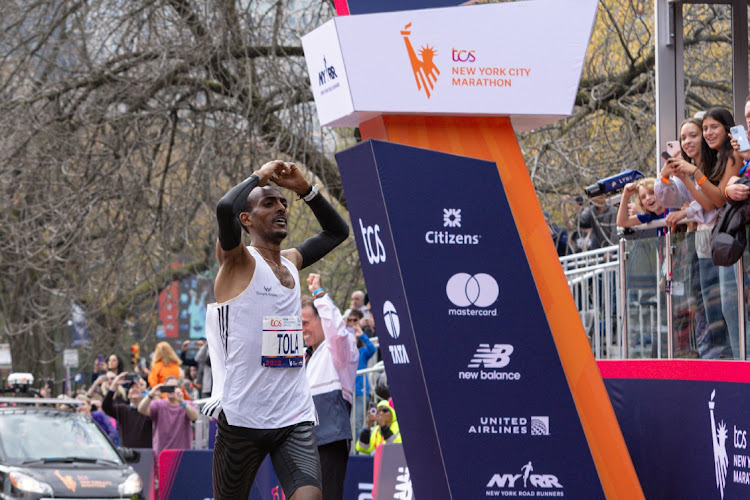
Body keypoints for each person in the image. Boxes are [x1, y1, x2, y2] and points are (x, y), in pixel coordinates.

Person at [206, 160, 349, 500]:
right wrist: (260, 174)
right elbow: (225, 206)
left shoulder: (291, 262)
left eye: (283, 202)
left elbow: (337, 232)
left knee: (311, 496)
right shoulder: (237, 261)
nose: (281, 207)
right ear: (247, 219)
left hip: (292, 414)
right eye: (268, 203)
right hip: (243, 416)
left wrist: (306, 190)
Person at [657, 116, 729, 358]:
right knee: (702, 306)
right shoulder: (686, 170)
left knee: (719, 308)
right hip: (700, 244)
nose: (688, 141)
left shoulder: (717, 164)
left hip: (720, 242)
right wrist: (664, 176)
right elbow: (666, 199)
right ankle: (709, 355)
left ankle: (721, 357)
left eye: (693, 135)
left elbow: (712, 204)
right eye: (683, 137)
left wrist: (686, 210)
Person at [301, 274, 358, 500]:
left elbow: (337, 331)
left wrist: (319, 294)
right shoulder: (303, 357)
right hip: (303, 442)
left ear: (321, 319)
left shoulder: (340, 351)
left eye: (305, 322)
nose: (301, 329)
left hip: (330, 438)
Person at [137, 376, 198, 456]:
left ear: (179, 388)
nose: (171, 389)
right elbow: (141, 409)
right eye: (168, 387)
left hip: (182, 454)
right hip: (161, 454)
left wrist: (182, 402)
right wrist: (151, 394)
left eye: (174, 387)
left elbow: (194, 417)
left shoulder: (187, 404)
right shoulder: (158, 404)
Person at [102, 372, 153, 448]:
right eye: (132, 387)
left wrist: (146, 393)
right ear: (128, 394)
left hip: (147, 453)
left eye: (138, 387)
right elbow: (106, 407)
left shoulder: (150, 409)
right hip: (127, 453)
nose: (135, 389)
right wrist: (115, 384)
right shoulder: (123, 409)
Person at [349, 309, 377, 437]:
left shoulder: (363, 351)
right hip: (349, 393)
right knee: (352, 424)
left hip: (361, 392)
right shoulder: (347, 353)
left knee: (359, 423)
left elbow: (372, 348)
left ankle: (360, 452)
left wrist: (361, 335)